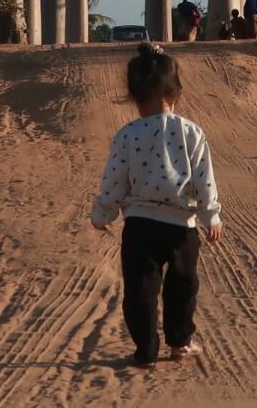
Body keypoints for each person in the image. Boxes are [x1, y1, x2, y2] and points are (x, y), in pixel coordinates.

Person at [91, 43, 223, 368]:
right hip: (182, 227)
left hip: (139, 226)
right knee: (183, 288)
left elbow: (114, 180)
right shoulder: (192, 132)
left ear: (134, 96)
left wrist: (102, 213)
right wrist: (211, 216)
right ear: (175, 91)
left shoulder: (127, 134)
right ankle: (180, 342)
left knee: (140, 291)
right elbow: (204, 180)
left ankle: (145, 350)